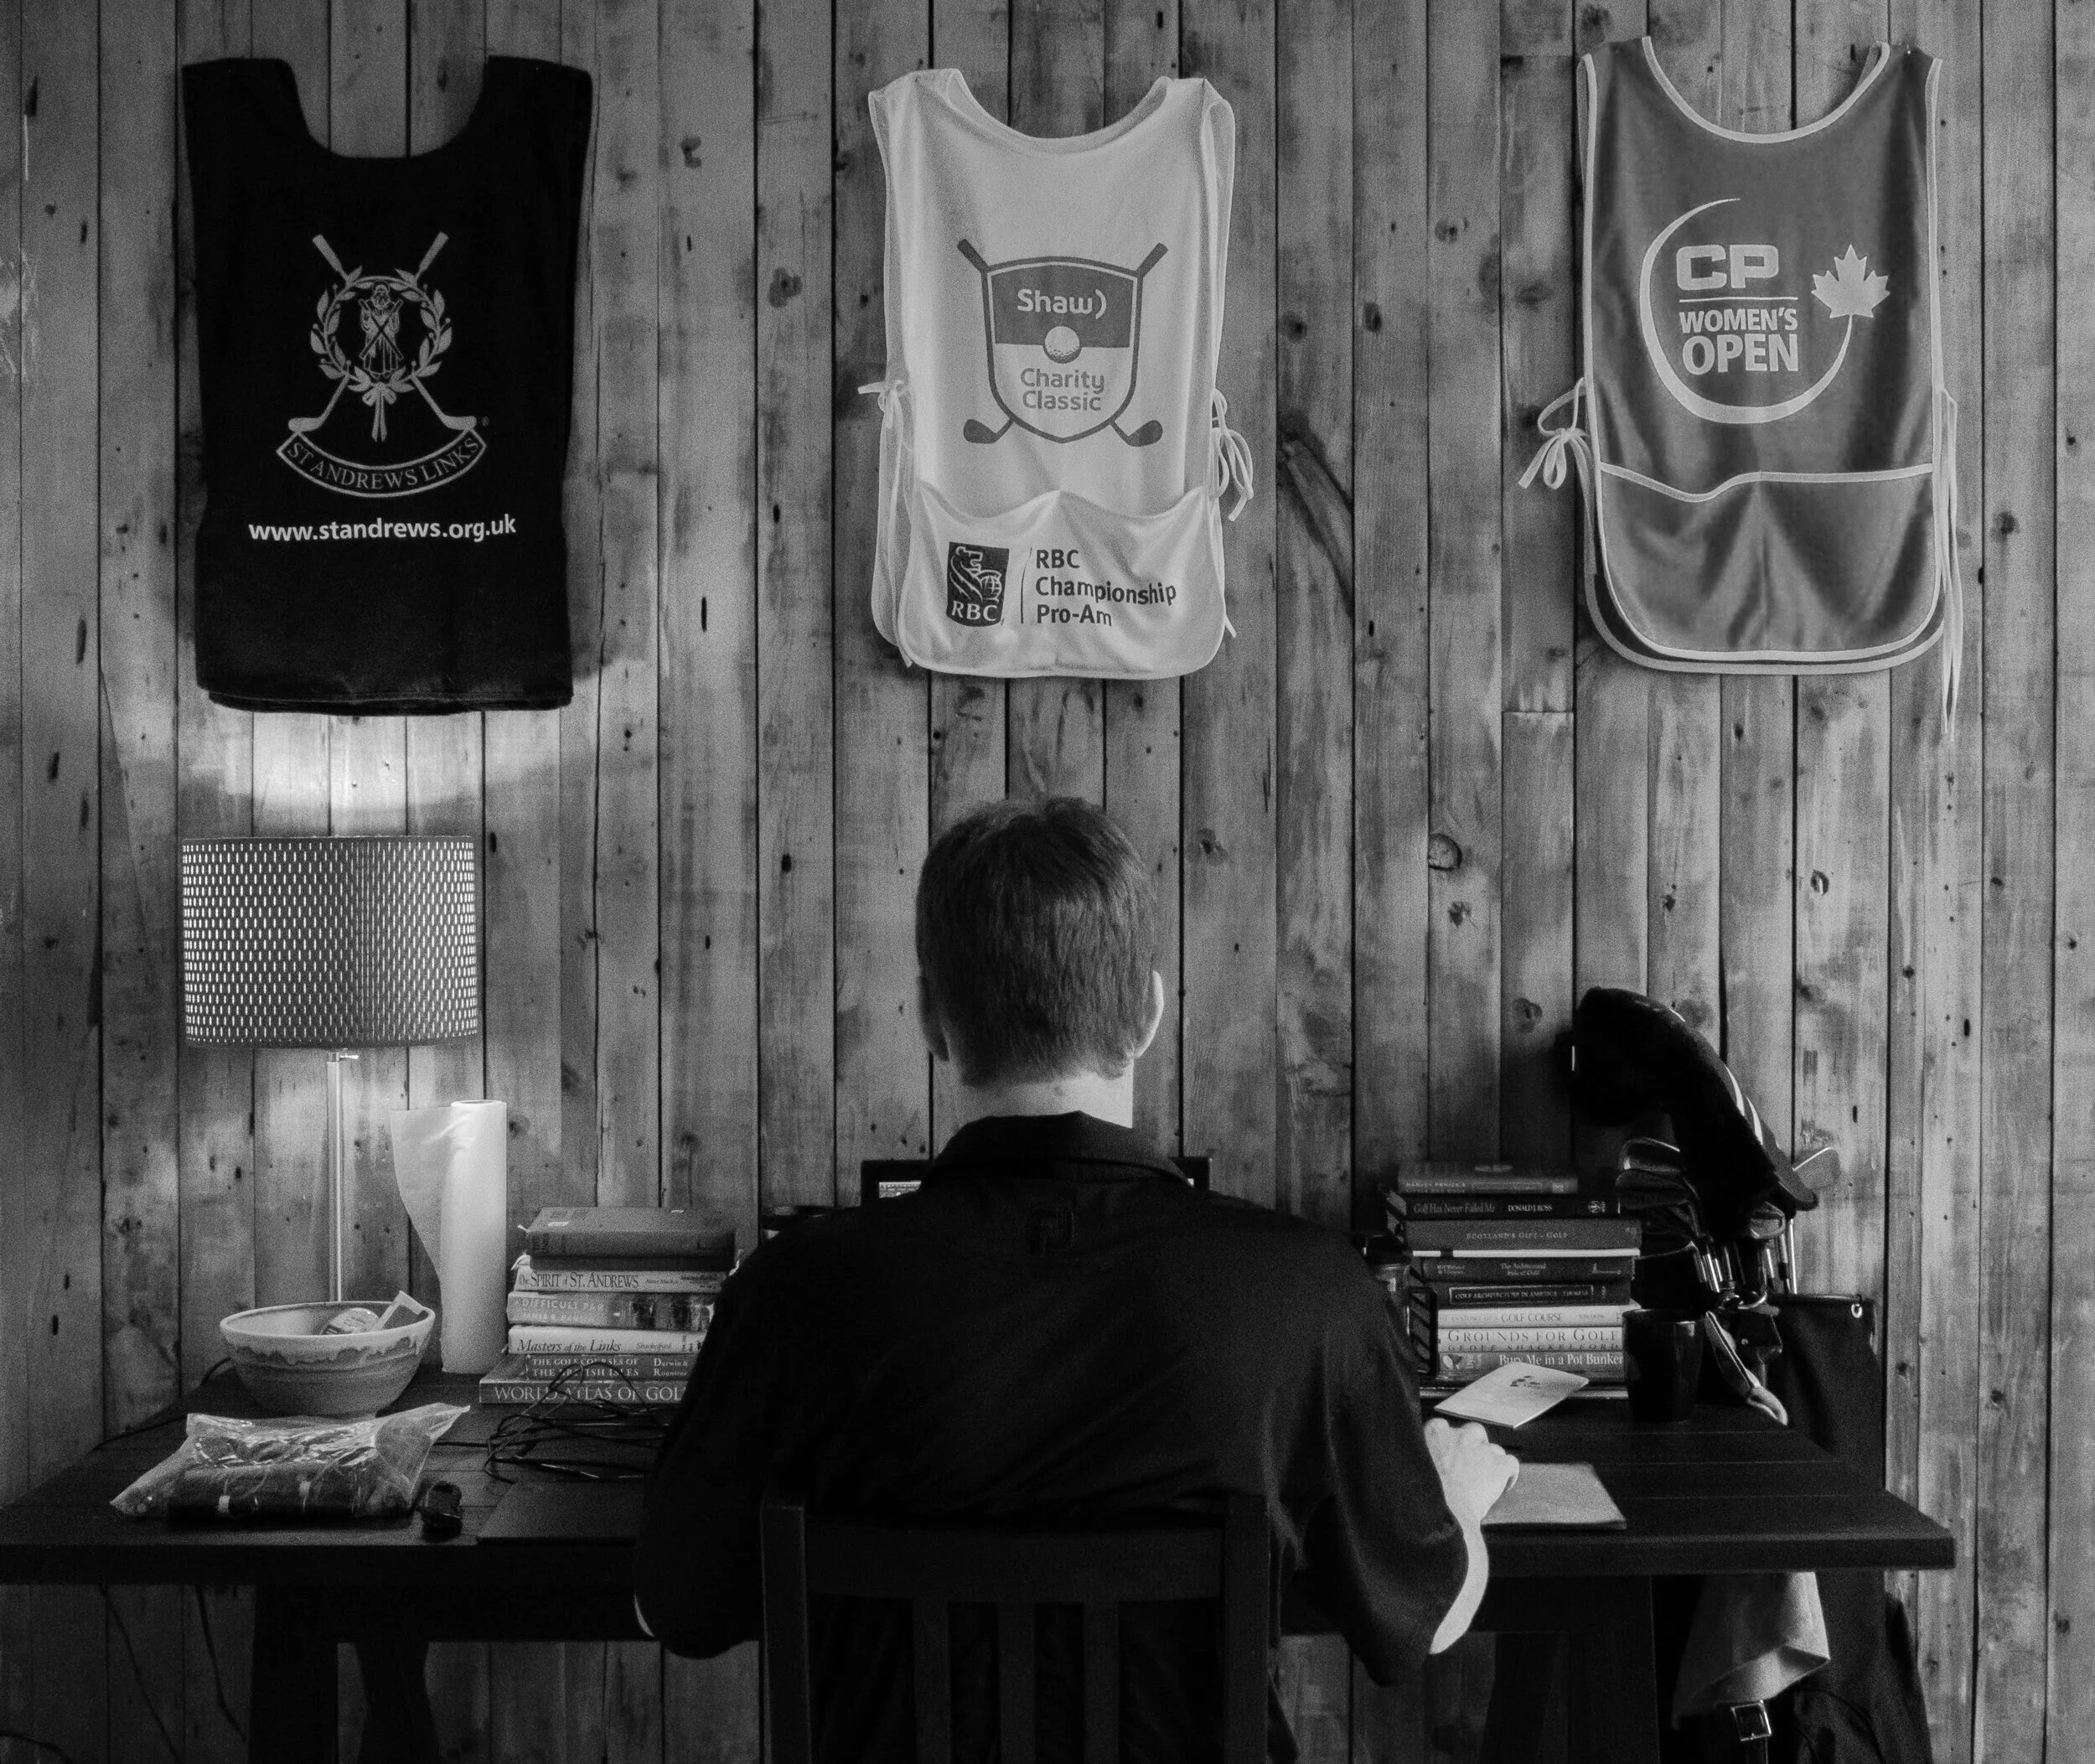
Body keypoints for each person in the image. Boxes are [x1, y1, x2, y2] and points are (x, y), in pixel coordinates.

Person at [634, 796, 1518, 1761]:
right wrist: (1457, 1504)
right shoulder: (1305, 1289)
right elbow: (1421, 1619)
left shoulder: (791, 1290)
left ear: (932, 1016)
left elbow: (675, 1605)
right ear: (1147, 1011)